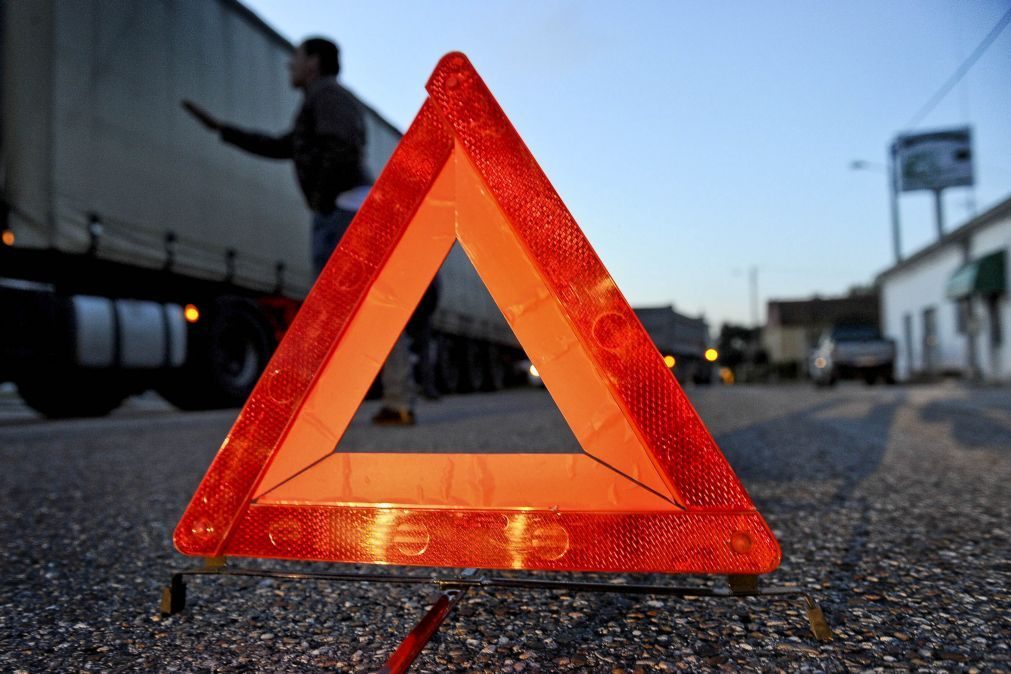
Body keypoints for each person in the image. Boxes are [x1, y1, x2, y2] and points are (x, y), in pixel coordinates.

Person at [182, 36, 419, 426]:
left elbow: (342, 147)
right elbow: (280, 146)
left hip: (342, 210)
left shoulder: (327, 96)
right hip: (345, 207)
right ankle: (394, 399)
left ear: (313, 62)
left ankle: (326, 411)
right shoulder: (318, 102)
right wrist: (222, 129)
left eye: (295, 58)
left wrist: (324, 199)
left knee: (335, 311)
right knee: (366, 308)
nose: (289, 66)